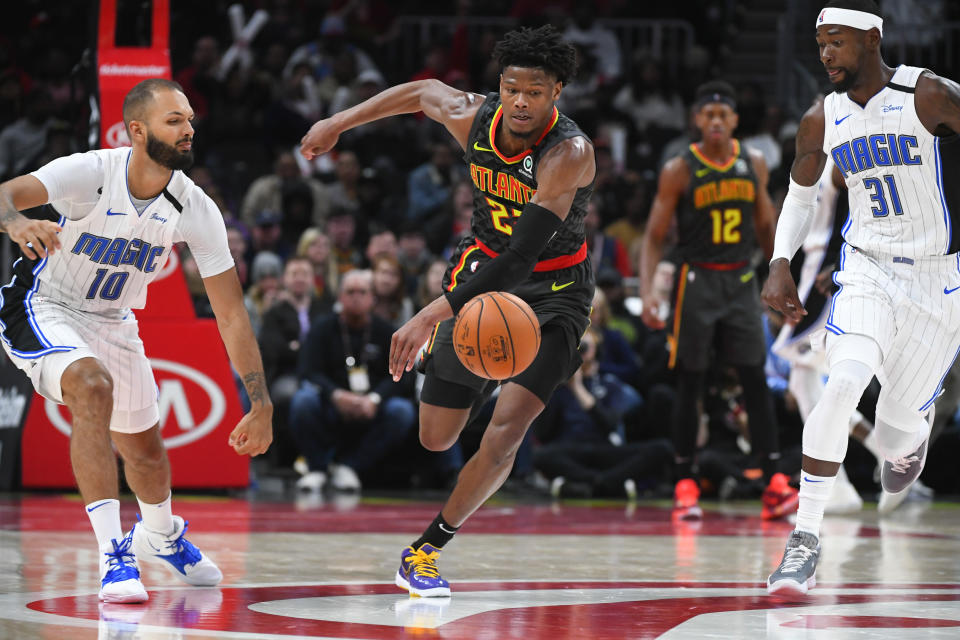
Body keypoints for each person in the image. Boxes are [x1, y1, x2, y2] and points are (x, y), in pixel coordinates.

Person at [301, 24, 596, 598]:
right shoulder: (471, 116)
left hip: (554, 290)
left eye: (534, 92)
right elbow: (419, 91)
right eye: (511, 88)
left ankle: (426, 550)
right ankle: (488, 368)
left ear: (556, 92)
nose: (520, 102)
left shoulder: (569, 154)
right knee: (436, 437)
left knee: (507, 433)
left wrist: (424, 316)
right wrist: (337, 123)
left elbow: (520, 260)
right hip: (478, 274)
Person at [0, 78, 272, 603]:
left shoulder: (195, 207)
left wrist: (259, 401)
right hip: (43, 305)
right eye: (175, 121)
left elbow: (232, 315)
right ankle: (113, 555)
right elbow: (5, 194)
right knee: (92, 387)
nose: (189, 129)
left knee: (146, 453)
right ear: (138, 131)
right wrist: (15, 223)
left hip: (113, 319)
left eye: (190, 119)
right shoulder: (91, 172)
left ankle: (160, 535)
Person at [763, 0, 960, 596]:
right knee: (841, 381)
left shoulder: (928, 96)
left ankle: (910, 438)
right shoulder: (821, 117)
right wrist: (779, 262)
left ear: (872, 39)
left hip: (938, 281)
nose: (825, 54)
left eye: (837, 42)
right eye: (820, 42)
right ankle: (804, 541)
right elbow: (800, 196)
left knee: (898, 433)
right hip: (867, 269)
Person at [639, 80, 798, 521]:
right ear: (696, 120)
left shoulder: (755, 163)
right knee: (691, 380)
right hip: (697, 280)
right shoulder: (679, 169)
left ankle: (773, 480)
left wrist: (779, 277)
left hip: (741, 279)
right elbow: (654, 238)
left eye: (721, 115)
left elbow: (767, 228)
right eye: (706, 115)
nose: (714, 121)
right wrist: (651, 289)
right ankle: (685, 480)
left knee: (754, 378)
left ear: (733, 121)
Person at [288, 269, 415, 493]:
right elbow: (308, 370)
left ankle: (349, 468)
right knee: (303, 401)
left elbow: (402, 375)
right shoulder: (323, 328)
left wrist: (375, 399)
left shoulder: (386, 332)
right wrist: (336, 395)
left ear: (372, 298)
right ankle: (317, 468)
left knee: (402, 411)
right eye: (350, 291)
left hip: (373, 405)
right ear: (340, 297)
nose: (356, 297)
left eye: (362, 292)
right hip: (331, 401)